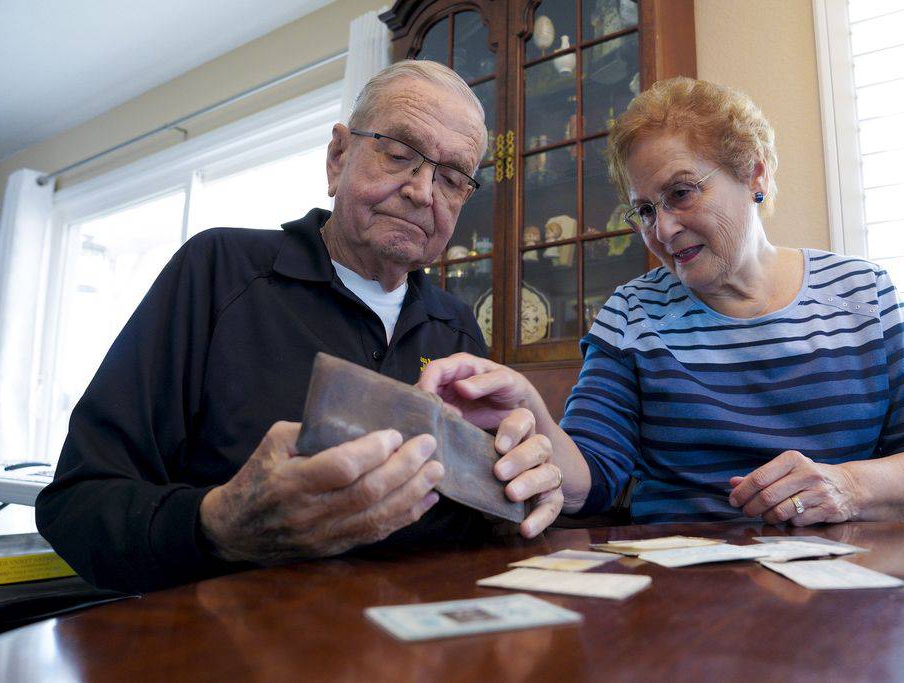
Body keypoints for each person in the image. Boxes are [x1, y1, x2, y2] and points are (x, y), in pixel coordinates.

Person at [36, 61, 563, 593]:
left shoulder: (457, 328)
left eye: (452, 178)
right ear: (338, 158)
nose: (423, 191)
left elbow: (477, 520)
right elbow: (76, 505)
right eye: (400, 154)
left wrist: (512, 498)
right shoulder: (218, 271)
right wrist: (218, 523)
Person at [418, 77, 904, 527]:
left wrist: (850, 487)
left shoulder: (863, 294)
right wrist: (535, 417)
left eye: (681, 193)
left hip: (846, 601)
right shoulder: (631, 316)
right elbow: (594, 479)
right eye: (644, 210)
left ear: (753, 174)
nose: (662, 229)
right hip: (682, 602)